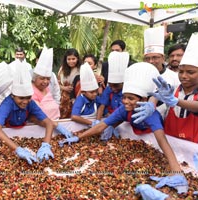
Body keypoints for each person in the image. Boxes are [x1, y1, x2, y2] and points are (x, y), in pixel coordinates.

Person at [59, 62, 188, 194]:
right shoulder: (123, 109)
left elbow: (162, 142)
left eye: (131, 98)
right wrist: (78, 137)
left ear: (143, 98)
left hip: (149, 135)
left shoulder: (151, 115)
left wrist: (176, 171)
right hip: (133, 131)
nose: (125, 101)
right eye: (124, 97)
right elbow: (101, 126)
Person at [139, 33, 198, 143]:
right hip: (171, 142)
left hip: (194, 148)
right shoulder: (175, 88)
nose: (184, 76)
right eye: (181, 72)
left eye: (190, 72)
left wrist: (176, 101)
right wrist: (151, 104)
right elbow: (159, 95)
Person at [97, 51, 129, 120]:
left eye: (116, 86)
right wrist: (97, 121)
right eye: (111, 86)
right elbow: (102, 106)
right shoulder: (109, 89)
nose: (113, 89)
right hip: (109, 116)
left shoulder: (129, 91)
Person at [71, 62, 101, 127]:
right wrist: (91, 123)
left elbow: (102, 106)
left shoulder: (97, 98)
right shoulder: (80, 100)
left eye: (96, 91)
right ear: (83, 92)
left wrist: (98, 120)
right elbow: (74, 116)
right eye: (91, 92)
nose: (95, 94)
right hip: (80, 126)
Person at [58, 48, 81, 118]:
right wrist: (64, 88)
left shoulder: (81, 69)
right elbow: (56, 84)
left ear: (77, 59)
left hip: (76, 98)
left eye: (73, 59)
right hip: (62, 99)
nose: (71, 61)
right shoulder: (62, 69)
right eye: (69, 59)